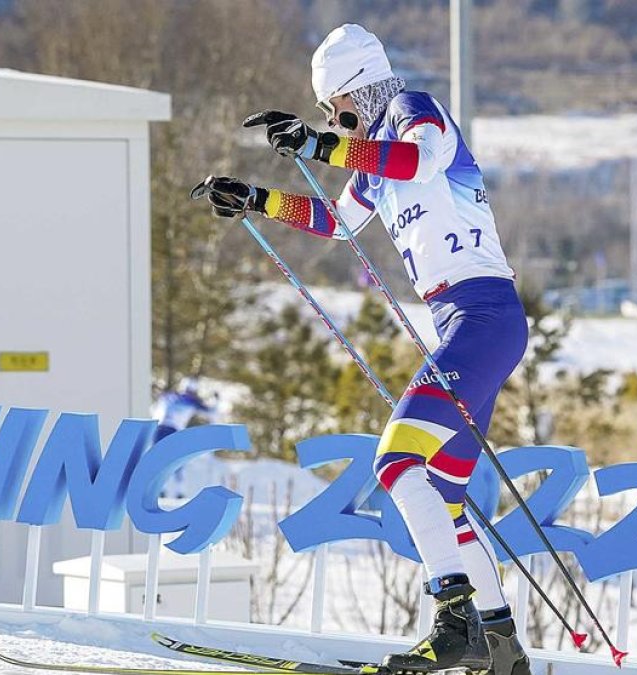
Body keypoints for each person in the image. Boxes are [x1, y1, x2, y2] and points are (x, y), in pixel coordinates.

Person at [198, 24, 531, 675]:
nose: (333, 120)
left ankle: (453, 620)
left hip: (485, 318)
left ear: (360, 91)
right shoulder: (373, 158)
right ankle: (500, 645)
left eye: (335, 108)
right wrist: (256, 199)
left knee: (397, 460)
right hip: (471, 326)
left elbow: (417, 162)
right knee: (442, 491)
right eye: (327, 114)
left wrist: (319, 143)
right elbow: (339, 222)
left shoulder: (415, 112)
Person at [150, 377, 217, 499]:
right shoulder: (191, 400)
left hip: (158, 429)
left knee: (160, 460)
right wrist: (216, 401)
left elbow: (156, 406)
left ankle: (160, 489)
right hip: (173, 430)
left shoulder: (169, 396)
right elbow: (211, 412)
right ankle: (179, 490)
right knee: (177, 460)